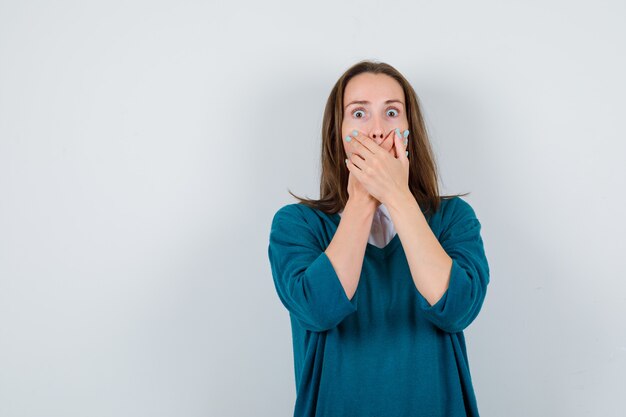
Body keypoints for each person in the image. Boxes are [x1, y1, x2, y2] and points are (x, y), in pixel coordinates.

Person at [267, 60, 490, 417]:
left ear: (408, 130)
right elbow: (318, 310)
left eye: (391, 112)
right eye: (358, 113)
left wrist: (397, 196)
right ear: (337, 133)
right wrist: (362, 199)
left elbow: (457, 309)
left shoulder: (453, 219)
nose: (375, 130)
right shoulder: (297, 225)